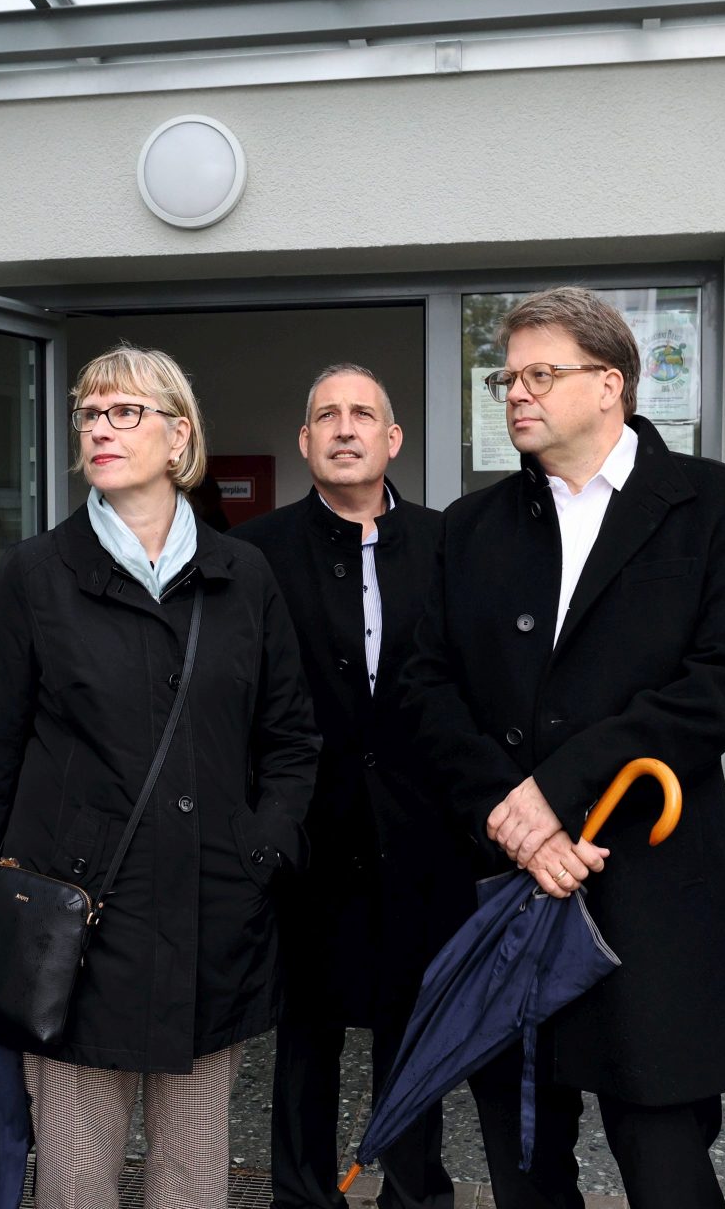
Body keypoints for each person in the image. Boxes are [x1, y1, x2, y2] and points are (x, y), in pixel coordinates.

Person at [400, 287, 725, 1209]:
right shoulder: (472, 525)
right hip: (508, 888)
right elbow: (422, 685)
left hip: (647, 887)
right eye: (508, 377)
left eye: (541, 374)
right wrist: (515, 815)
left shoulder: (713, 505)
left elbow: (720, 685)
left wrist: (558, 791)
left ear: (610, 384)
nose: (516, 394)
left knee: (667, 1165)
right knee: (523, 1160)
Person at [0, 344, 319, 1209]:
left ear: (179, 438)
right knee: (76, 1176)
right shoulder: (37, 575)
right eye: (89, 415)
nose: (99, 430)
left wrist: (259, 852)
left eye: (123, 413)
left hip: (211, 914)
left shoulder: (241, 575)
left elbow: (292, 737)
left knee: (193, 1175)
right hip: (75, 927)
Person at [232, 364, 472, 1209]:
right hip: (308, 834)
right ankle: (302, 1195)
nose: (343, 428)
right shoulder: (253, 553)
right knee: (307, 1037)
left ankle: (413, 1194)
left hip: (422, 835)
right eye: (325, 415)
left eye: (362, 414)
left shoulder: (450, 545)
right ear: (303, 442)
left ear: (391, 440)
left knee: (418, 1031)